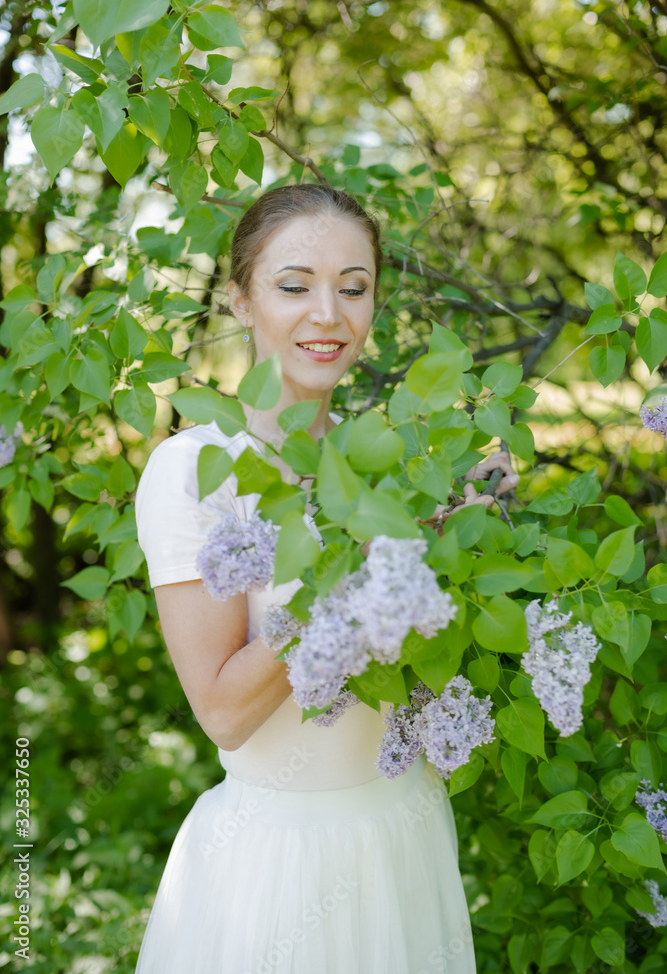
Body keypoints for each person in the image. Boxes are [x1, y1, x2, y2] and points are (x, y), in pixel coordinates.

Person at [133, 183, 518, 974]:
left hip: (404, 830)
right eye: (293, 285)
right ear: (240, 300)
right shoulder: (192, 472)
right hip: (280, 859)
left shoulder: (395, 457)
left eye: (353, 288)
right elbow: (223, 712)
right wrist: (351, 576)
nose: (328, 315)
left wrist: (466, 518)